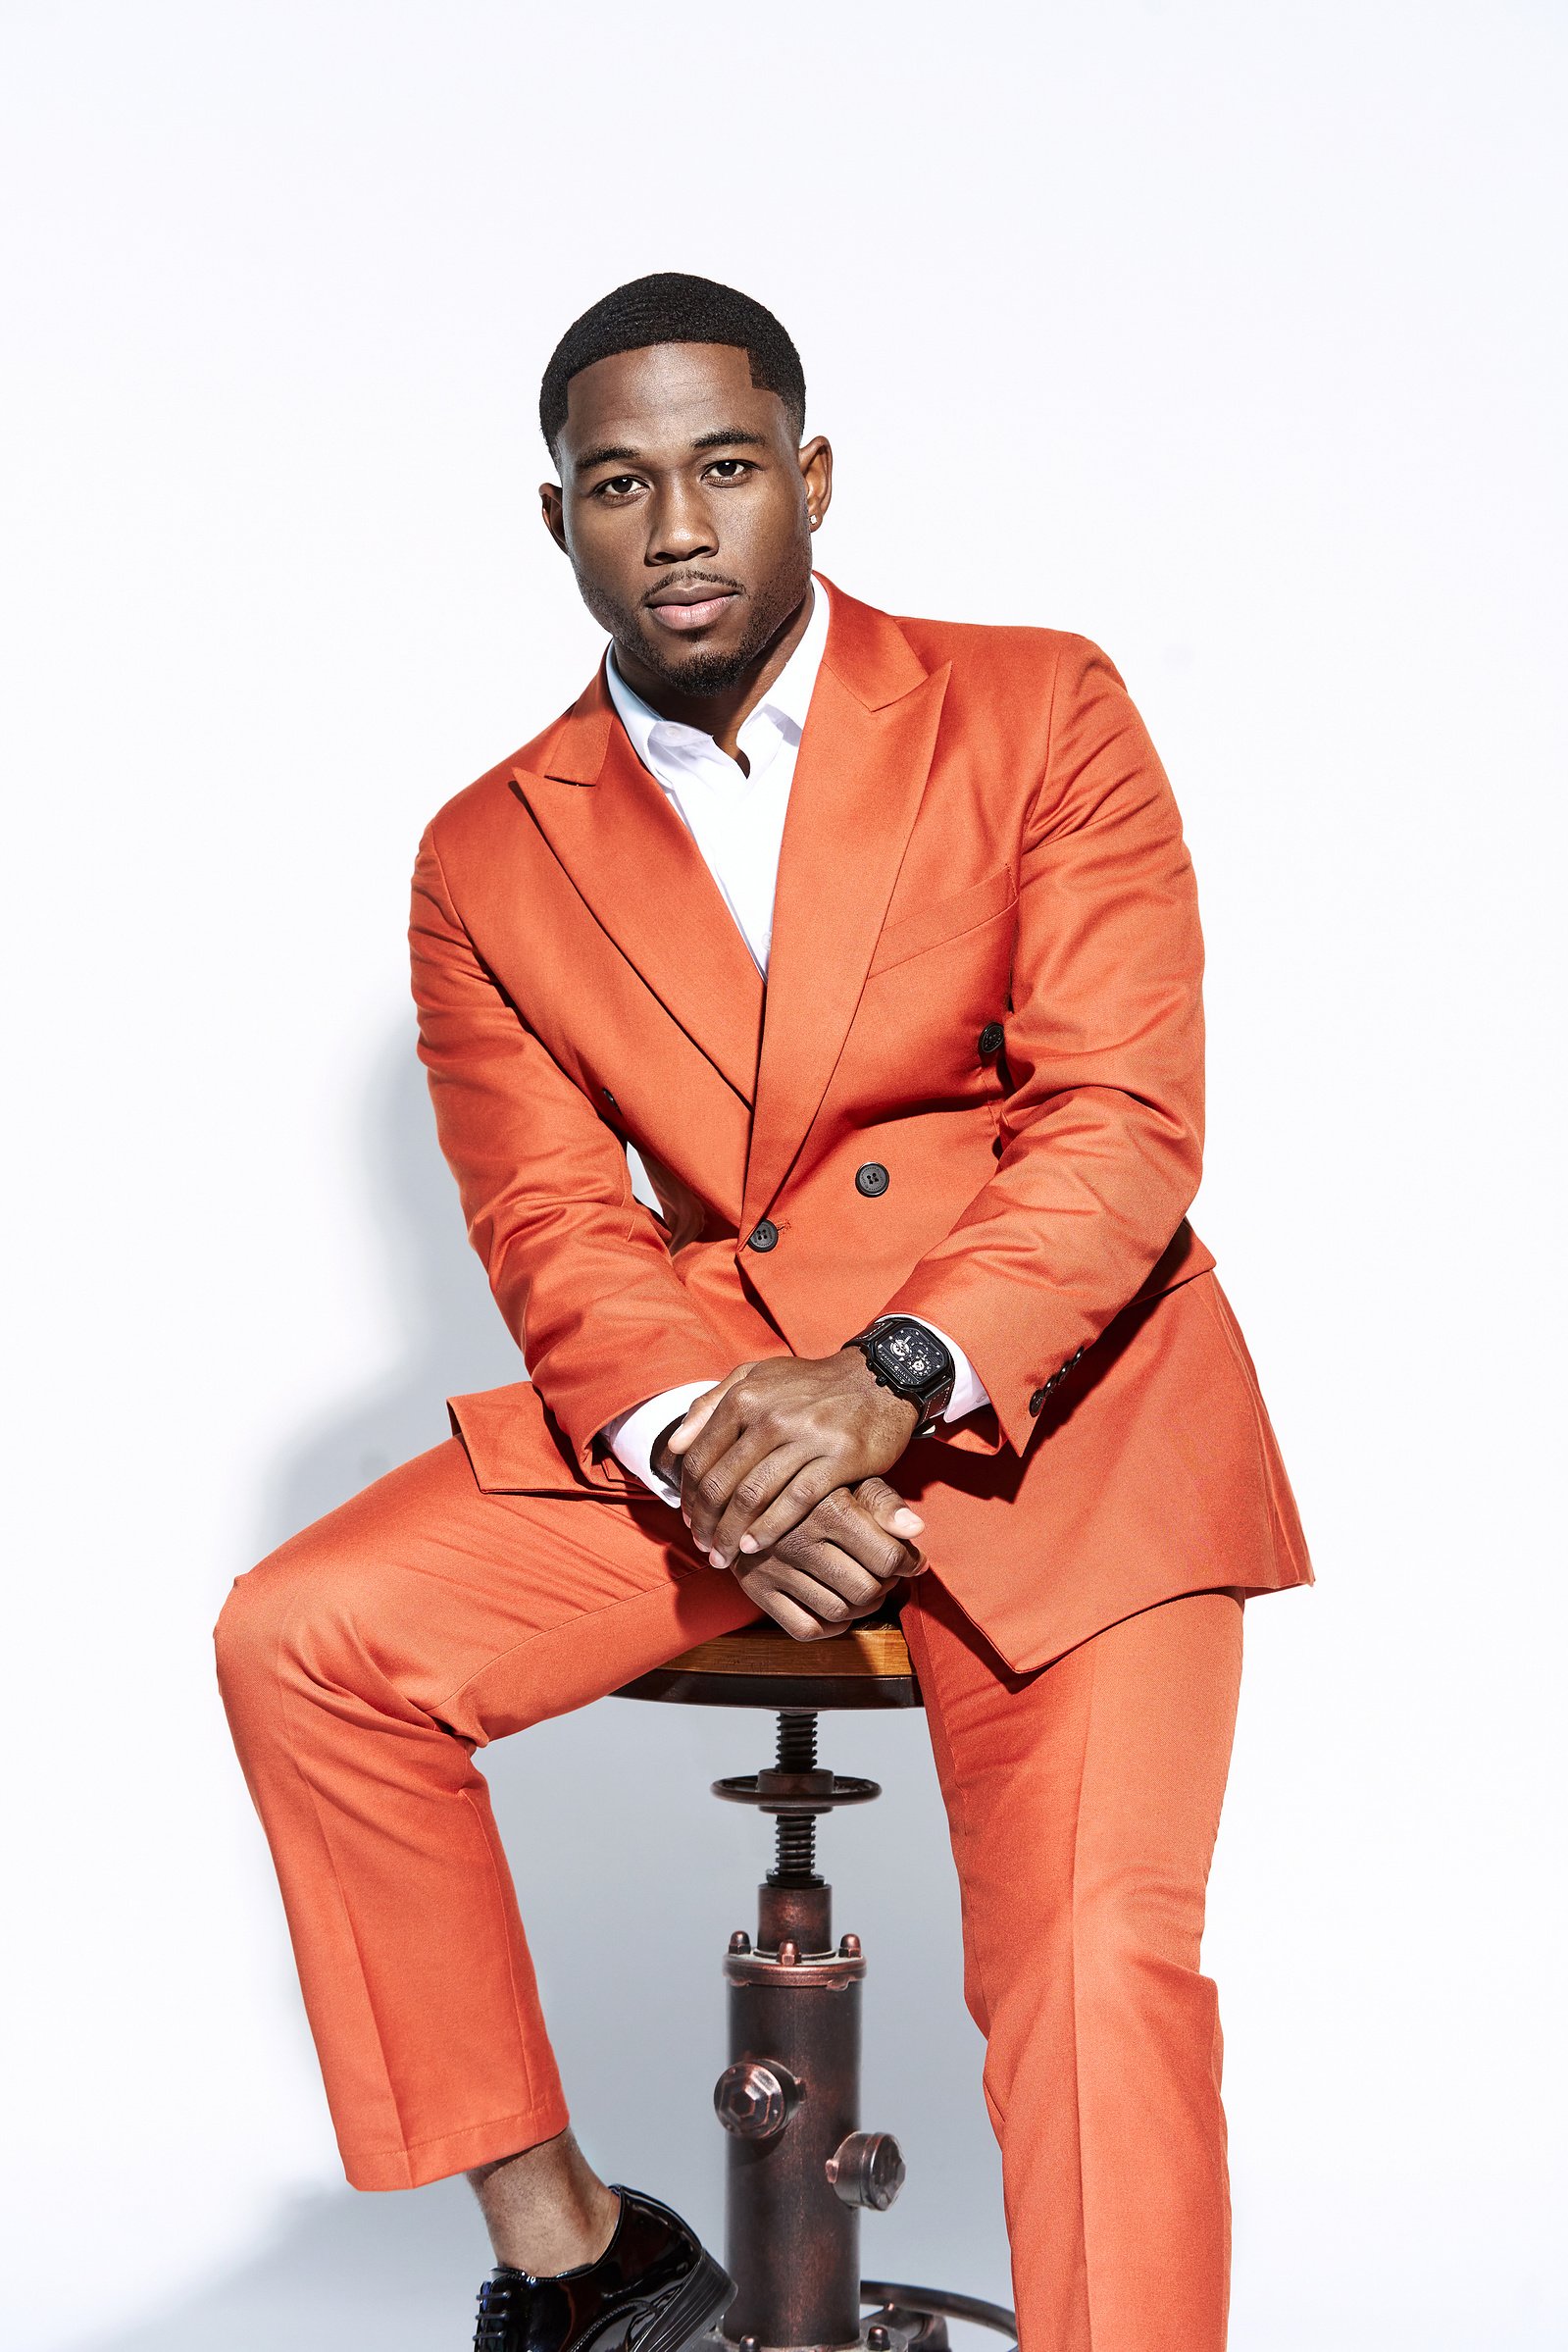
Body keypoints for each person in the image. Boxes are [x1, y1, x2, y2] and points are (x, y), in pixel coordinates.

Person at [216, 271, 1312, 2352]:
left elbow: (1118, 1120)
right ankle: (576, 2250)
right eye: (617, 485)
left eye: (722, 468)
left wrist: (887, 1378)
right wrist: (714, 1437)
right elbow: (550, 1220)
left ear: (806, 477)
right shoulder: (483, 850)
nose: (679, 525)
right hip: (729, 1416)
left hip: (1065, 1401)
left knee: (1092, 1961)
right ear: (560, 525)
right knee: (307, 1641)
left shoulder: (1035, 703)